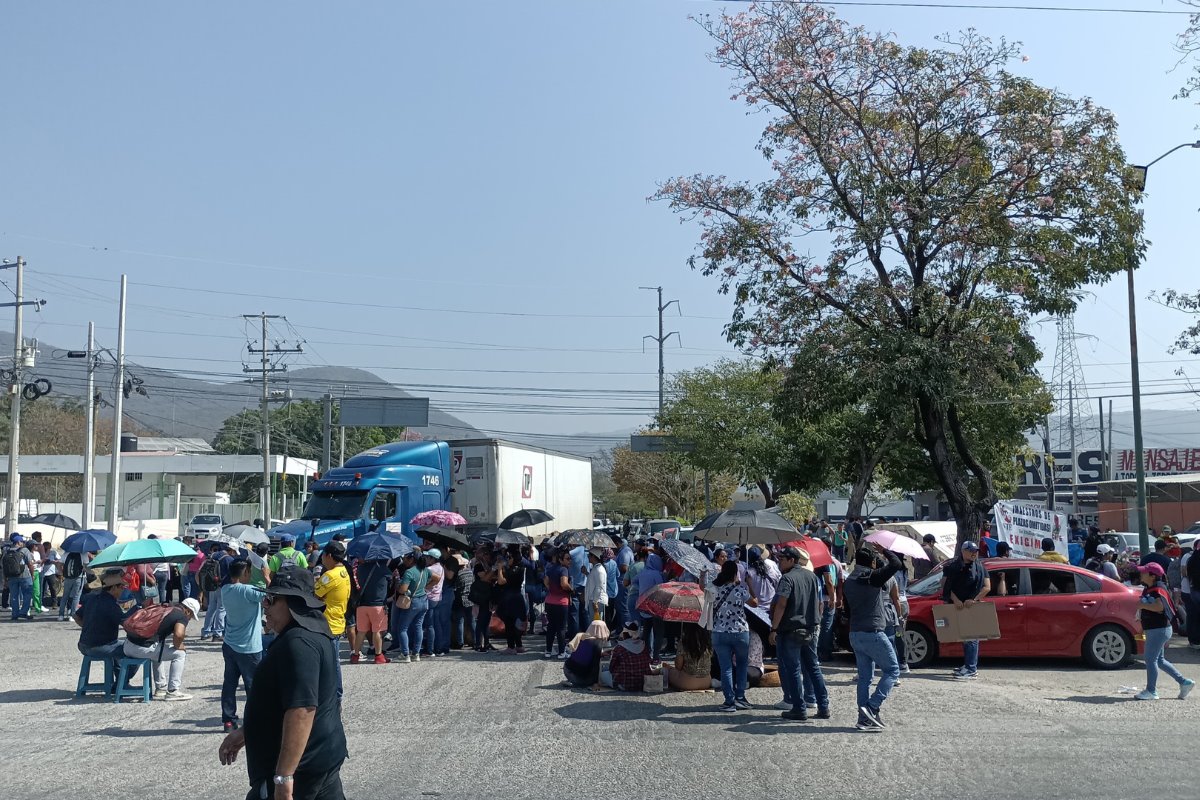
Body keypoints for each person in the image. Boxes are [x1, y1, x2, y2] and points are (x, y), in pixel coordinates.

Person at [219, 567, 347, 800]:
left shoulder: (298, 643)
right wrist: (248, 732)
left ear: (293, 603)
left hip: (300, 768)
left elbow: (302, 710)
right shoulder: (316, 630)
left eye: (271, 600)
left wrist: (283, 777)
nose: (264, 606)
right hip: (322, 757)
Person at [842, 543, 903, 731]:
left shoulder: (849, 580)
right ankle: (872, 706)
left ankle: (864, 719)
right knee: (893, 670)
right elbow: (896, 564)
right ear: (873, 562)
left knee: (865, 678)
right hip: (873, 632)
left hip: (855, 633)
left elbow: (847, 610)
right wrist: (884, 549)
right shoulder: (872, 578)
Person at [770, 546, 828, 721]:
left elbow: (781, 604)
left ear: (792, 560)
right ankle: (823, 706)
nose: (779, 562)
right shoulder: (811, 576)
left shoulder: (787, 579)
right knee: (813, 668)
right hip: (810, 629)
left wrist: (774, 628)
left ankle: (799, 708)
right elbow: (819, 602)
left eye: (782, 559)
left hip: (790, 630)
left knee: (793, 670)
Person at [1132, 562, 1194, 701]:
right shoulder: (1151, 587)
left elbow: (1160, 607)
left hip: (1158, 630)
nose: (1141, 573)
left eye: (1144, 572)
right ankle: (1184, 682)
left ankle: (1151, 691)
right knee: (1159, 660)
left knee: (1150, 659)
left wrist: (1142, 605)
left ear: (1152, 576)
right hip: (1157, 629)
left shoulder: (1158, 589)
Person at [122, 596, 201, 701]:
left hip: (127, 645)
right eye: (191, 616)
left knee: (159, 648)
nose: (190, 618)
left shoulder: (166, 607)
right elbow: (178, 634)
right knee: (180, 654)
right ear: (188, 611)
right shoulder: (182, 615)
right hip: (142, 648)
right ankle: (173, 690)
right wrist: (179, 646)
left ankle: (161, 688)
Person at [74, 568, 137, 691]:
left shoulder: (92, 598)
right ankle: (122, 683)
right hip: (99, 646)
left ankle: (119, 682)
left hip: (83, 644)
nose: (122, 590)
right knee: (134, 650)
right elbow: (126, 625)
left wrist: (88, 627)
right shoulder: (111, 605)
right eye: (121, 588)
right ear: (113, 588)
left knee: (119, 647)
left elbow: (76, 616)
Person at [221, 560, 265, 731]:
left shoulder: (225, 590)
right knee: (253, 685)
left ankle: (228, 720)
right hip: (250, 646)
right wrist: (267, 576)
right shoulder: (249, 590)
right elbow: (271, 595)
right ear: (245, 572)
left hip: (230, 644)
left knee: (230, 684)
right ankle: (254, 719)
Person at [705, 559, 754, 712]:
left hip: (719, 632)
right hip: (740, 632)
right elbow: (755, 603)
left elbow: (703, 588)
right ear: (734, 574)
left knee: (726, 668)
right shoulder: (740, 590)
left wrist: (702, 575)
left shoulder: (714, 589)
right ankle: (740, 697)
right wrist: (749, 583)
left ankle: (729, 701)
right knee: (741, 665)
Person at [941, 541, 991, 681]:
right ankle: (967, 665)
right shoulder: (952, 566)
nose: (974, 553)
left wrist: (973, 599)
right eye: (971, 551)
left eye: (975, 551)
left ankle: (971, 668)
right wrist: (955, 600)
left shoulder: (980, 567)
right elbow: (945, 585)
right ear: (963, 551)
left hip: (971, 607)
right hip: (957, 606)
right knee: (964, 637)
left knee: (972, 638)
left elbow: (987, 587)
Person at [314, 541, 350, 697]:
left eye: (323, 555)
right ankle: (336, 695)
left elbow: (314, 595)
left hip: (327, 623)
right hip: (337, 621)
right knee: (334, 662)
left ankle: (335, 696)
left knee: (330, 664)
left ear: (328, 555)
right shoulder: (344, 572)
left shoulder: (330, 575)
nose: (322, 558)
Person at [351, 556, 392, 664]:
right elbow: (390, 580)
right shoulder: (383, 568)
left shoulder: (360, 568)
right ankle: (379, 656)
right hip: (377, 605)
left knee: (361, 631)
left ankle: (355, 655)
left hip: (362, 604)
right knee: (377, 631)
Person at [393, 550, 431, 663]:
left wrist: (397, 584)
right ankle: (416, 653)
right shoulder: (425, 570)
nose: (404, 560)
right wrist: (426, 586)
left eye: (406, 558)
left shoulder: (409, 572)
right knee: (418, 626)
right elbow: (437, 578)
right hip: (424, 600)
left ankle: (405, 654)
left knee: (402, 628)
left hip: (412, 602)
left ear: (412, 559)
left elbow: (403, 589)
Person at [495, 546, 528, 654]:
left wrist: (500, 568)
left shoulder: (512, 570)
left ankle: (511, 647)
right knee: (516, 623)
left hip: (509, 599)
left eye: (509, 557)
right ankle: (519, 645)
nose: (507, 559)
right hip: (518, 597)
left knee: (509, 624)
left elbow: (501, 581)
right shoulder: (522, 568)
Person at [605, 620, 652, 691]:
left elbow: (611, 667)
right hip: (644, 683)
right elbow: (649, 661)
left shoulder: (620, 648)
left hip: (625, 685)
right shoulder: (643, 645)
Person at [543, 547, 572, 658]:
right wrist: (571, 590)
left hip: (550, 601)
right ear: (560, 559)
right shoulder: (563, 569)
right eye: (567, 558)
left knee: (551, 627)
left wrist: (551, 589)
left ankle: (548, 651)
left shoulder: (549, 567)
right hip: (561, 602)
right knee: (561, 628)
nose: (570, 561)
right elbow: (564, 584)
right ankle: (561, 652)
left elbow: (545, 581)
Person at [562, 619, 609, 688]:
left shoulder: (583, 638)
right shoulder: (597, 644)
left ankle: (573, 681)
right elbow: (595, 666)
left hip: (568, 669)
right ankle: (578, 682)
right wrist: (596, 682)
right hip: (580, 677)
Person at [636, 553, 666, 659]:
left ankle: (645, 654)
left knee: (646, 631)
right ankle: (656, 657)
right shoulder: (656, 574)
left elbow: (633, 581)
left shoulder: (642, 573)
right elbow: (661, 588)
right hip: (656, 606)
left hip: (644, 605)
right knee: (658, 632)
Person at [668, 622, 713, 691]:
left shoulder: (684, 642)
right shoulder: (708, 643)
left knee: (668, 671)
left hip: (687, 682)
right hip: (706, 682)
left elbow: (678, 666)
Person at [468, 546, 496, 653]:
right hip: (482, 595)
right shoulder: (478, 565)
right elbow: (484, 578)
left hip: (488, 594)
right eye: (486, 554)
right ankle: (478, 643)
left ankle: (487, 642)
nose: (488, 557)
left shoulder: (486, 565)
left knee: (487, 620)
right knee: (481, 620)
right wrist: (493, 571)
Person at [420, 548, 446, 657]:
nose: (426, 559)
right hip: (438, 598)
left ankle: (429, 650)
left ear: (432, 558)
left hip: (429, 598)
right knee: (436, 624)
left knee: (429, 625)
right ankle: (438, 648)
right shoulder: (441, 567)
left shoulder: (430, 569)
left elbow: (425, 582)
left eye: (427, 557)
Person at [3, 535, 35, 621]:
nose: (23, 543)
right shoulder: (24, 550)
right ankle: (23, 612)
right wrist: (32, 575)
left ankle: (15, 614)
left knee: (14, 596)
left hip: (11, 577)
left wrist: (5, 579)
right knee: (27, 594)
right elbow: (30, 564)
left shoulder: (7, 551)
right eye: (22, 542)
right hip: (24, 576)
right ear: (18, 542)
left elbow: (4, 566)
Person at [59, 548, 87, 621]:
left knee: (65, 596)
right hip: (79, 577)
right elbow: (86, 565)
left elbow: (60, 564)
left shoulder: (66, 553)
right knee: (76, 596)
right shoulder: (83, 553)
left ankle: (61, 615)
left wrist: (62, 573)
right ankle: (72, 615)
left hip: (67, 577)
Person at [584, 549, 608, 624]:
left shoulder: (599, 570)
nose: (588, 557)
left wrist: (595, 602)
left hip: (598, 601)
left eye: (589, 555)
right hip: (594, 599)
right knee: (594, 623)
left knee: (597, 624)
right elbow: (593, 581)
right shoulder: (595, 568)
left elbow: (599, 587)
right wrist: (586, 573)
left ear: (594, 557)